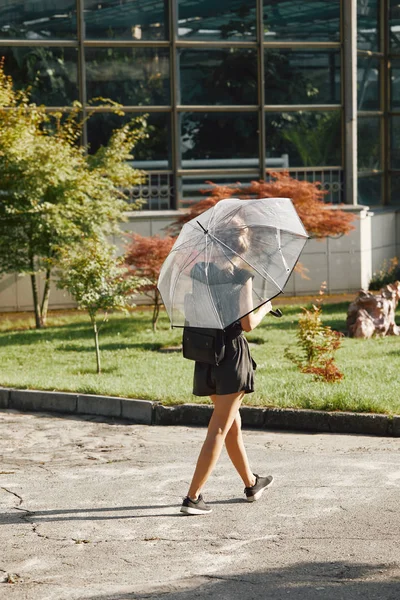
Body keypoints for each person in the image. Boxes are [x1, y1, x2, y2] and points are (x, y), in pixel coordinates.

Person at [180, 220, 274, 515]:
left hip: (207, 353)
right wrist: (265, 308)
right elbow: (247, 323)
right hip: (231, 356)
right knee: (220, 426)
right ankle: (193, 497)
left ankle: (251, 484)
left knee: (232, 423)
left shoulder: (199, 271)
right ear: (241, 244)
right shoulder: (242, 275)